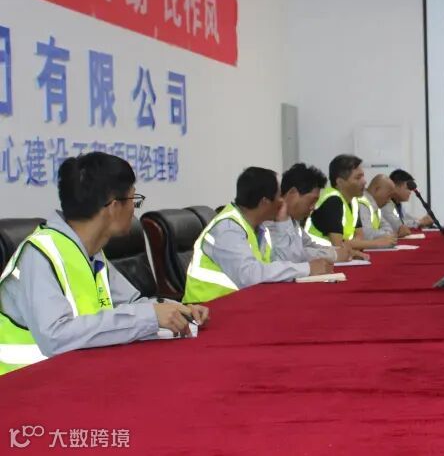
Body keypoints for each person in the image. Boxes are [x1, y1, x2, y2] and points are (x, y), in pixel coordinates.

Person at [0, 153, 209, 376]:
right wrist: (150, 317)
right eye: (133, 200)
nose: (134, 210)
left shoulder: (91, 252)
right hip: (25, 382)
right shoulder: (39, 255)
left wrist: (175, 309)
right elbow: (55, 336)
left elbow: (130, 303)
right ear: (113, 206)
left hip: (76, 372)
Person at [183, 167, 336, 304]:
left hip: (242, 304)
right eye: (279, 196)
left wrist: (283, 223)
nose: (283, 201)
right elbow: (250, 276)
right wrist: (306, 268)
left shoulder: (261, 227)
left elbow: (284, 263)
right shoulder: (227, 229)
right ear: (264, 202)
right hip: (208, 309)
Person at [266, 163, 350, 264]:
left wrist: (338, 250)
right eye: (312, 201)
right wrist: (332, 255)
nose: (313, 207)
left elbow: (308, 245)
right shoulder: (270, 220)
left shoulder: (293, 221)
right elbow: (293, 257)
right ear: (293, 193)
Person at [381, 169, 432, 237]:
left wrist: (421, 221)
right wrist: (420, 222)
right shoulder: (385, 204)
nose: (410, 192)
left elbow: (405, 218)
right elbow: (397, 225)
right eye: (408, 188)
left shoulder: (397, 204)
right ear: (395, 186)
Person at [357, 174, 400, 242]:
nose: (389, 200)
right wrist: (386, 235)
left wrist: (386, 234)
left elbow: (387, 226)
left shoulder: (375, 205)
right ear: (377, 189)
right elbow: (366, 233)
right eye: (388, 195)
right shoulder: (362, 203)